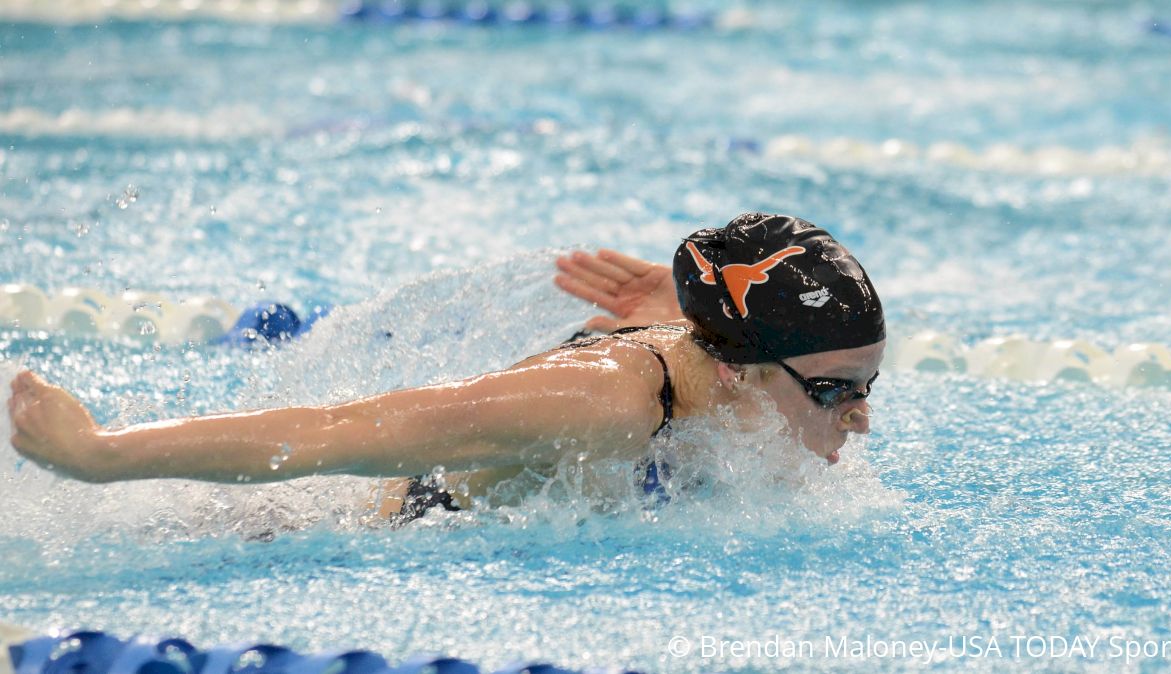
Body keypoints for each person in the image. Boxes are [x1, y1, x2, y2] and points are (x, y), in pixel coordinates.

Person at [7, 213, 886, 511]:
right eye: (837, 391)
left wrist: (672, 300)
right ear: (739, 367)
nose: (861, 417)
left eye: (868, 385)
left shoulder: (732, 376)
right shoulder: (600, 405)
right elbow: (333, 433)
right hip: (369, 526)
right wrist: (101, 456)